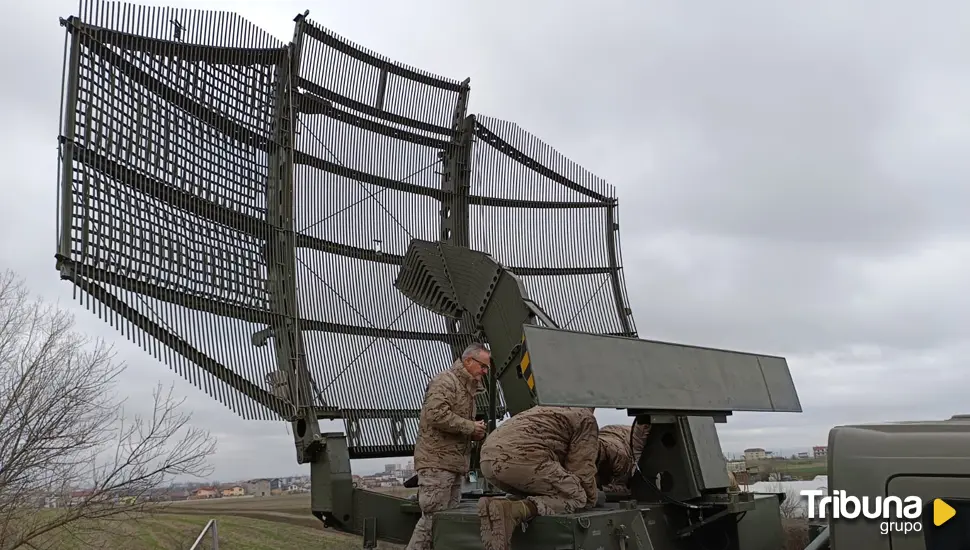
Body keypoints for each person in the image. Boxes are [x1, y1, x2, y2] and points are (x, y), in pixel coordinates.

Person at [405, 343, 490, 550]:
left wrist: (474, 432)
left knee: (446, 523)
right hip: (437, 464)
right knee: (432, 520)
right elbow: (436, 415)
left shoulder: (466, 389)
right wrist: (471, 427)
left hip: (452, 465)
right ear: (469, 361)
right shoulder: (445, 382)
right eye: (483, 366)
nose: (485, 371)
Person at [477, 406, 599, 550]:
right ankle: (514, 510)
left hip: (487, 459)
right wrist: (591, 498)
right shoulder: (585, 418)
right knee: (577, 497)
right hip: (520, 459)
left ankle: (494, 505)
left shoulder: (545, 407)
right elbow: (581, 469)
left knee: (541, 492)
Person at [596, 422, 651, 494]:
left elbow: (622, 488)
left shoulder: (619, 457)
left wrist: (600, 489)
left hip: (627, 444)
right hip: (614, 434)